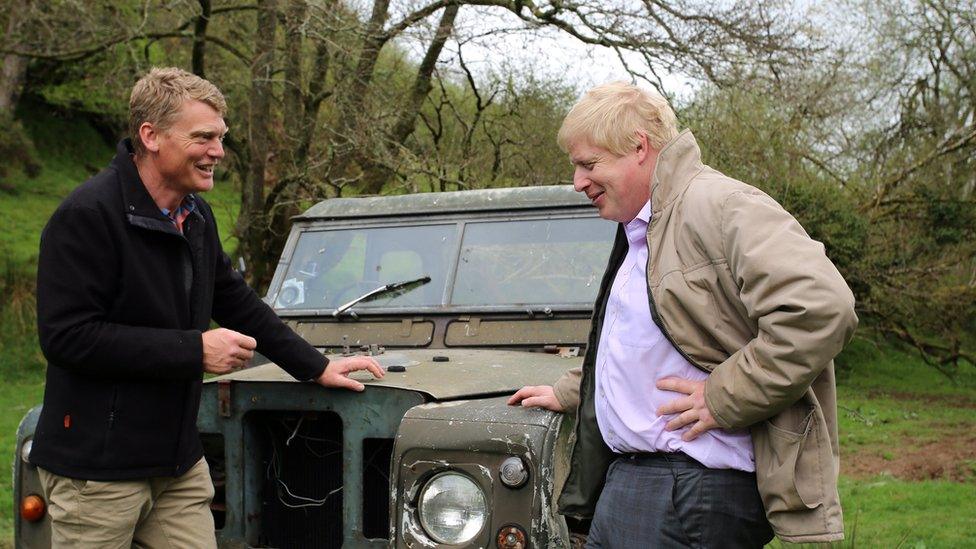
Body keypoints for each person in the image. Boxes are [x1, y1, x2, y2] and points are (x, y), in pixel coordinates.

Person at [30, 67, 384, 548]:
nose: (218, 151)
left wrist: (316, 366)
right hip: (98, 473)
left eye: (221, 137)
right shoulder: (87, 216)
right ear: (151, 137)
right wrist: (193, 350)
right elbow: (68, 337)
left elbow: (233, 298)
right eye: (203, 137)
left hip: (177, 464)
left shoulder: (195, 214)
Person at [509, 81, 857, 547]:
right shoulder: (645, 226)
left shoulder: (720, 205)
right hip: (642, 482)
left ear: (638, 148)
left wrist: (723, 396)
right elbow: (653, 342)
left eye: (589, 164)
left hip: (687, 487)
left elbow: (820, 308)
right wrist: (572, 390)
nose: (577, 181)